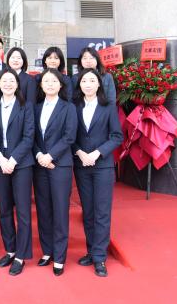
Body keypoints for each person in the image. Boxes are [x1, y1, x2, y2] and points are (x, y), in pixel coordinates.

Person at [73, 68, 123, 277]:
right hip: (81, 165)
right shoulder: (74, 107)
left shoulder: (108, 107)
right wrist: (79, 152)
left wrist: (97, 153)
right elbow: (70, 135)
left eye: (92, 80)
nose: (88, 84)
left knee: (101, 211)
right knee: (88, 211)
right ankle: (91, 251)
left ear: (99, 84)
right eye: (84, 80)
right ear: (80, 84)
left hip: (102, 166)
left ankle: (100, 257)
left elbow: (117, 136)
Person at [0, 68, 35, 276]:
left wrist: (13, 160)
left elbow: (28, 137)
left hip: (21, 163)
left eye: (12, 81)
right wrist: (0, 158)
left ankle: (21, 255)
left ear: (17, 85)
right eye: (4, 81)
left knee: (23, 211)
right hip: (0, 163)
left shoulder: (26, 106)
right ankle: (10, 250)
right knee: (4, 209)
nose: (8, 84)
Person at [33, 68, 77, 276]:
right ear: (41, 85)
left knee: (60, 210)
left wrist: (50, 156)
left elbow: (69, 137)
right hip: (40, 165)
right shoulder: (36, 108)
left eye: (53, 81)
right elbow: (31, 136)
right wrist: (40, 156)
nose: (49, 84)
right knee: (43, 209)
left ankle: (59, 256)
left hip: (60, 165)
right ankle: (47, 251)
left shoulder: (68, 107)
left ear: (60, 85)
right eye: (46, 81)